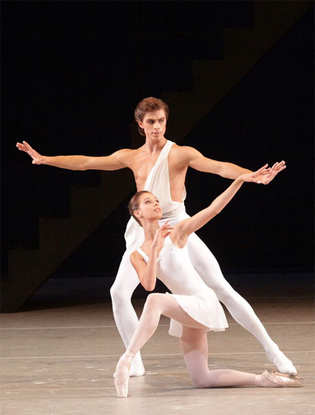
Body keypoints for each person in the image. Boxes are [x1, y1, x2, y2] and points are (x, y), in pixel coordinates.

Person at [16, 97, 295, 377]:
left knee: (221, 287)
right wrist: (44, 159)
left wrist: (251, 176)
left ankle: (273, 350)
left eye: (161, 121)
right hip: (143, 230)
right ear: (140, 124)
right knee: (118, 292)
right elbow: (87, 163)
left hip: (177, 226)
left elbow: (218, 167)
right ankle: (134, 359)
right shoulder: (132, 156)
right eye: (151, 122)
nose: (157, 127)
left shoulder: (179, 153)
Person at [114, 171, 302, 397]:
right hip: (187, 310)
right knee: (201, 378)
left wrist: (239, 181)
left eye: (156, 200)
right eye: (148, 202)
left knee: (155, 301)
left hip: (202, 301)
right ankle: (264, 380)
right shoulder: (137, 254)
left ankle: (127, 358)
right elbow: (149, 284)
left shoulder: (177, 232)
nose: (155, 204)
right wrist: (153, 250)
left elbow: (213, 209)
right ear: (137, 213)